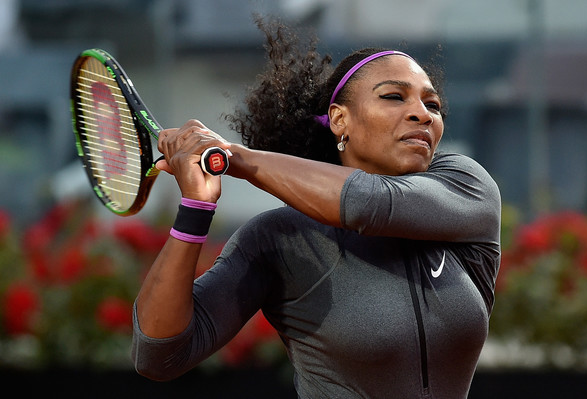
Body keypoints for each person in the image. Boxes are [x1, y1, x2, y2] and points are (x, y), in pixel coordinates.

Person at [131, 18, 501, 399]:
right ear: (341, 120)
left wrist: (234, 157)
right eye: (394, 96)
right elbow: (159, 355)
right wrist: (195, 208)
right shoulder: (279, 239)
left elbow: (368, 203)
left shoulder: (466, 186)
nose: (423, 113)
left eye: (433, 104)